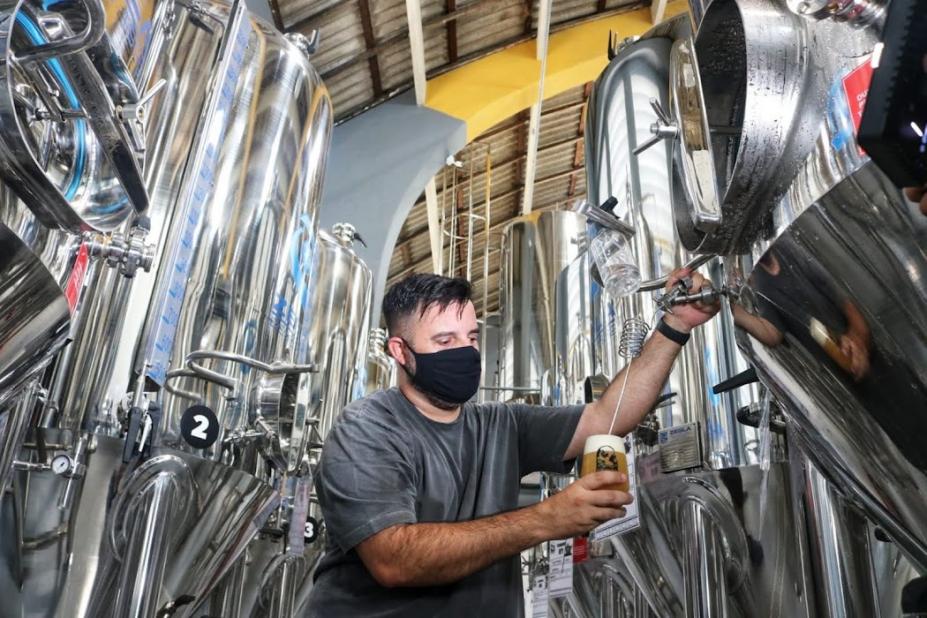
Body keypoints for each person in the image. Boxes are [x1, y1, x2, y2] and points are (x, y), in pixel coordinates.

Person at [307, 268, 719, 617]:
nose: (466, 353)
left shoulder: (500, 423)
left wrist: (674, 326)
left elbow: (606, 417)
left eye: (471, 338)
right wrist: (548, 518)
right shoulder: (366, 429)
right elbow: (394, 560)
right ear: (400, 351)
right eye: (445, 342)